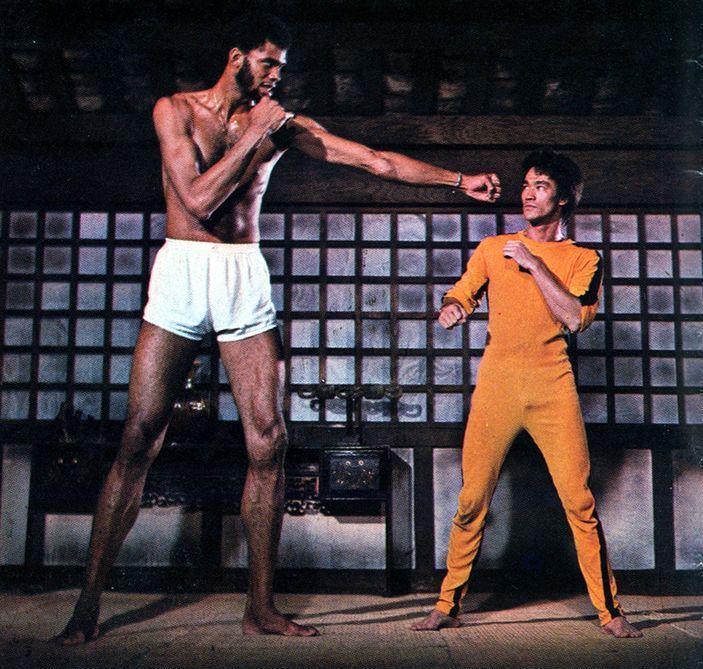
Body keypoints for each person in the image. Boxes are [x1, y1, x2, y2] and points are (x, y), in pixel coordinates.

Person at [59, 12, 501, 642]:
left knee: (269, 442)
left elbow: (373, 161)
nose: (275, 77)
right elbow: (198, 201)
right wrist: (255, 136)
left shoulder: (280, 124)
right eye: (268, 63)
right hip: (183, 268)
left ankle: (260, 607)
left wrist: (458, 181)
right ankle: (85, 607)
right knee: (139, 439)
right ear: (237, 56)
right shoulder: (174, 110)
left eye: (281, 68)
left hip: (242, 272)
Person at [411, 150, 642, 638]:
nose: (528, 194)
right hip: (497, 385)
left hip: (552, 386)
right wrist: (453, 306)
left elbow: (574, 317)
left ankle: (610, 612)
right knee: (471, 499)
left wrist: (535, 263)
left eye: (540, 186)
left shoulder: (583, 259)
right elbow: (463, 290)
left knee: (579, 501)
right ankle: (447, 604)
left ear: (564, 199)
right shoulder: (494, 248)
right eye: (526, 185)